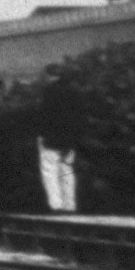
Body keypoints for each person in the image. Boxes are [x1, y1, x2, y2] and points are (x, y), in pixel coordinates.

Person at [36, 74, 83, 212]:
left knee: (50, 172)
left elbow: (44, 116)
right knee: (67, 171)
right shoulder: (74, 92)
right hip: (69, 140)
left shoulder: (49, 92)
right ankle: (70, 204)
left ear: (51, 77)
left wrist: (42, 135)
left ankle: (56, 205)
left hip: (51, 139)